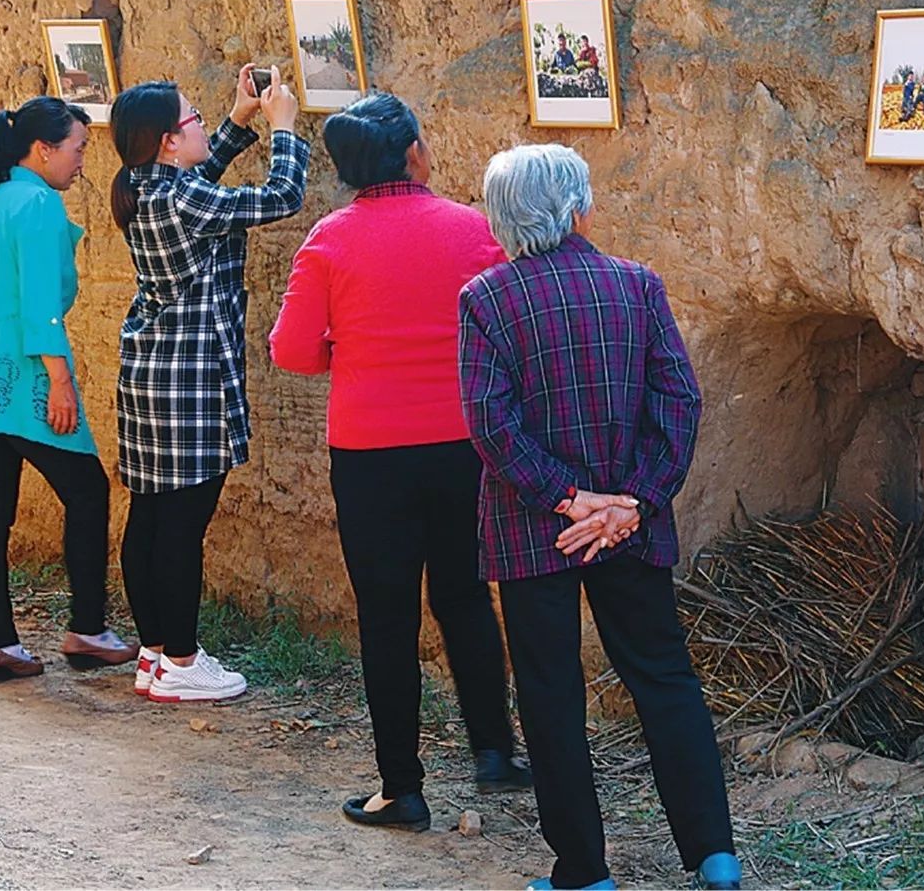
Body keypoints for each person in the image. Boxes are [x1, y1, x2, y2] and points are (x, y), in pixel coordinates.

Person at [458, 143, 740, 891]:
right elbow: (678, 401)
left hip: (533, 529)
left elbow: (491, 425)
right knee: (665, 679)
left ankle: (582, 872)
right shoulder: (636, 284)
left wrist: (568, 498)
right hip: (629, 524)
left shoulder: (485, 299)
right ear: (579, 206)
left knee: (551, 694)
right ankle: (716, 853)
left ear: (500, 218)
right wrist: (633, 502)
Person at [269, 92, 532, 832]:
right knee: (465, 596)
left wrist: (345, 354)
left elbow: (290, 349)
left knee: (386, 617)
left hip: (369, 455)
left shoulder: (328, 240)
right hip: (460, 447)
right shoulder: (473, 229)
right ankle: (494, 753)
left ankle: (402, 788)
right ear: (413, 153)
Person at [110, 65, 309, 703]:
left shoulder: (144, 186)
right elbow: (281, 198)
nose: (199, 125)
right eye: (192, 120)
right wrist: (284, 130)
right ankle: (183, 659)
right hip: (190, 381)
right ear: (168, 139)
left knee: (150, 517)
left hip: (151, 374)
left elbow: (197, 183)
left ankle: (154, 655)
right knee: (182, 528)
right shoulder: (181, 198)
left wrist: (235, 122)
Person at [0, 96, 138, 684]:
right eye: (77, 149)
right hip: (25, 372)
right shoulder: (40, 204)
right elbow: (41, 307)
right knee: (88, 490)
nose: (81, 162)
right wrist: (60, 380)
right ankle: (88, 628)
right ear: (43, 150)